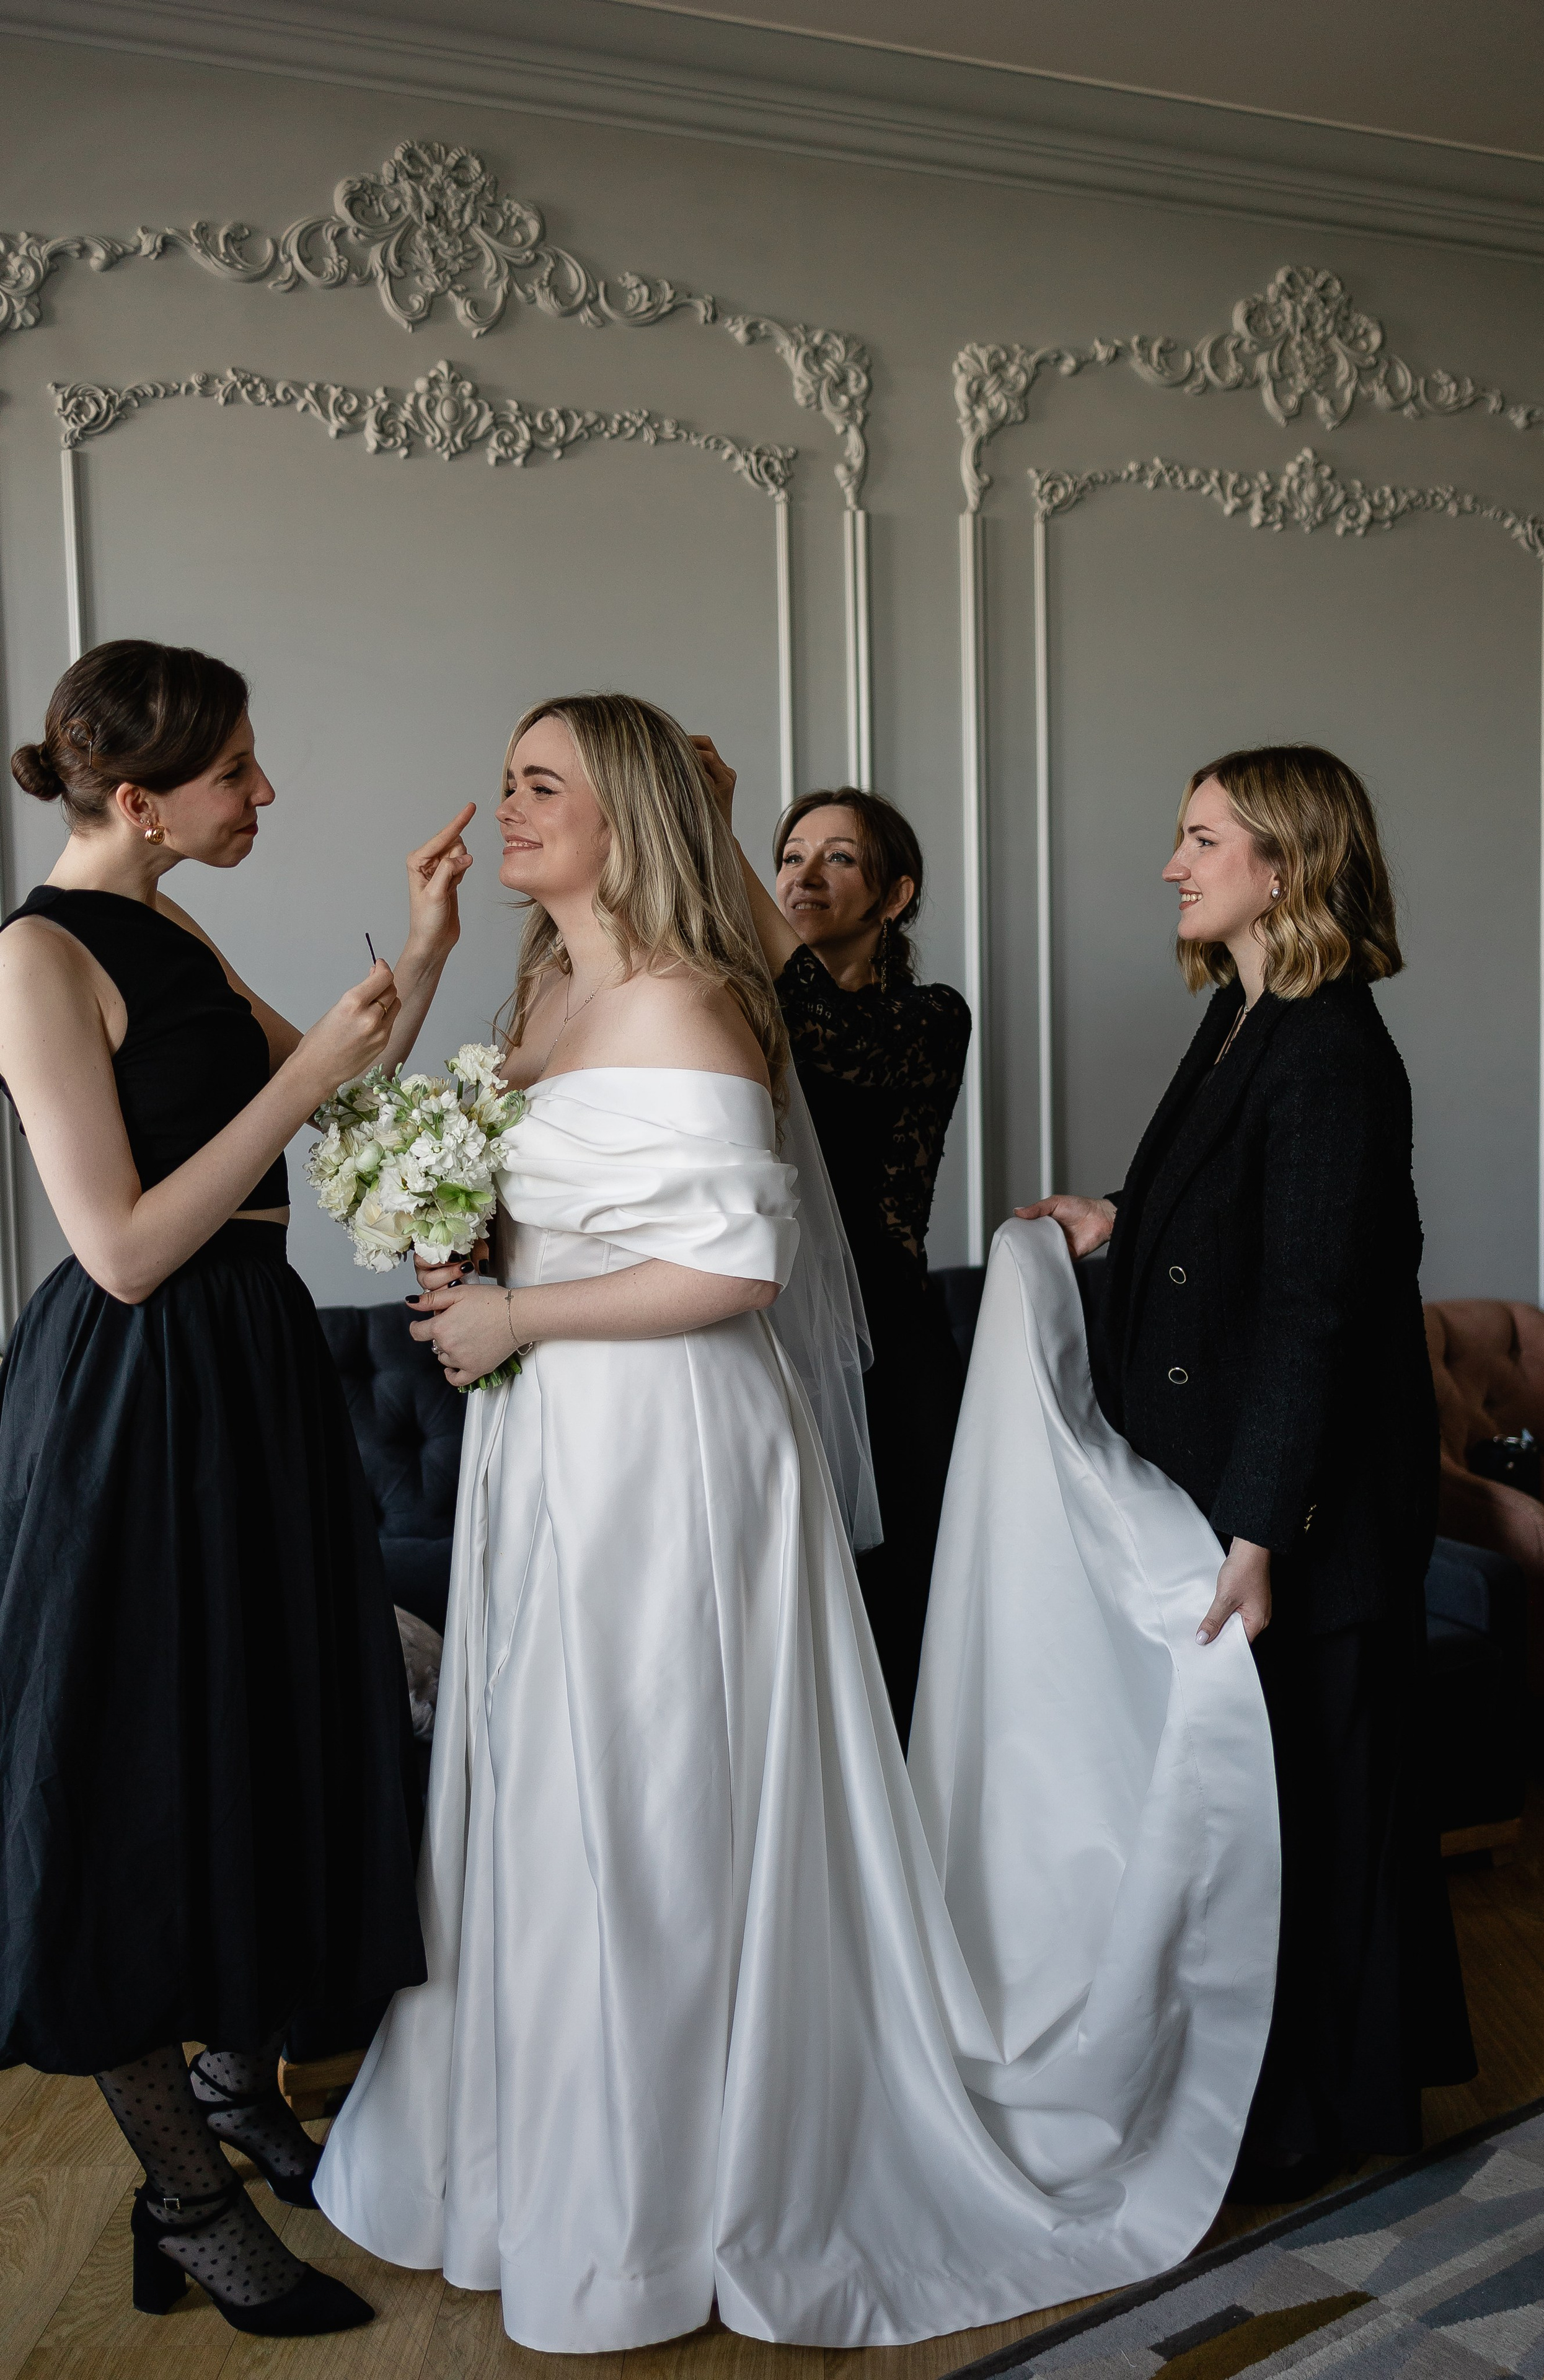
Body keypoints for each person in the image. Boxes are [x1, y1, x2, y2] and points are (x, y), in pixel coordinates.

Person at [313, 691, 1280, 2353]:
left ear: (623, 815)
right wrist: (459, 1256)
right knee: (552, 1786)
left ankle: (678, 2187)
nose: (510, 808)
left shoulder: (696, 1007)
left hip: (670, 1453)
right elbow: (444, 1157)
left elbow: (735, 1275)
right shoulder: (544, 990)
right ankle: (537, 2155)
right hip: (549, 1451)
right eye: (509, 782)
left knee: (664, 1793)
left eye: (543, 786)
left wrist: (519, 1323)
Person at [0, 639, 474, 2335]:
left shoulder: (171, 921)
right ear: (138, 801)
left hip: (252, 1380)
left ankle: (227, 2091)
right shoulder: (37, 960)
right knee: (130, 1788)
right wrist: (303, 1075)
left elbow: (337, 1087)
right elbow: (119, 1250)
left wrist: (422, 953)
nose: (264, 795)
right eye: (238, 775)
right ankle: (188, 2207)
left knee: (260, 1744)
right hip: (138, 1401)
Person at [1018, 743, 1473, 2201]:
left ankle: (1318, 2117)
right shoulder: (1246, 1016)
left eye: (1199, 838)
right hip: (1240, 1476)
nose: (1171, 862)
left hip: (1312, 1503)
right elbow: (1233, 1204)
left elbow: (1310, 1306)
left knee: (1316, 1803)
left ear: (1282, 864)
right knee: (1265, 1801)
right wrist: (1120, 1211)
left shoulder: (1332, 1046)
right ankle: (1273, 2097)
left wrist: (1261, 1530)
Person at [692, 747, 969, 1740]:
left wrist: (719, 838)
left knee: (891, 1610)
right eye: (789, 854)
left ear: (895, 895)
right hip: (759, 1327)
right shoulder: (735, 1014)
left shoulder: (930, 1020)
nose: (804, 875)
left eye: (838, 859)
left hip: (887, 1351)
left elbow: (835, 1039)